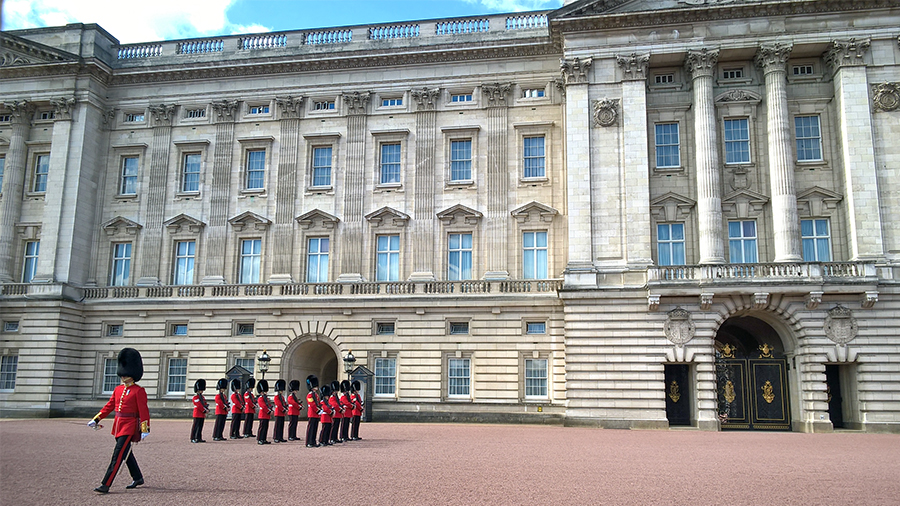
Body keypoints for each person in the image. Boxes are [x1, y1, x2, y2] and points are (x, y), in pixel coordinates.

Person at [88, 347, 150, 494]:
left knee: (118, 456)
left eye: (126, 374)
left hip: (129, 426)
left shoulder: (138, 391)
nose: (123, 376)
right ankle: (138, 477)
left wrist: (145, 429)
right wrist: (96, 419)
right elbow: (109, 406)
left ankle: (106, 484)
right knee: (126, 452)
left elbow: (143, 411)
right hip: (118, 425)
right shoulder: (118, 390)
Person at [190, 378, 209, 443]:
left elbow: (204, 403)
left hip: (202, 414)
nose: (201, 391)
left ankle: (198, 437)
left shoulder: (202, 397)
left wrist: (207, 408)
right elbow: (198, 405)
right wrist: (204, 410)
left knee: (200, 426)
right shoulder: (195, 397)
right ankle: (193, 438)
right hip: (197, 413)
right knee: (195, 426)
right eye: (200, 390)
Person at [305, 375, 321, 448]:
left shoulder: (316, 395)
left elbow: (318, 403)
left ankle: (313, 441)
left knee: (315, 428)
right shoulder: (310, 395)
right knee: (311, 428)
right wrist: (318, 411)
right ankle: (309, 442)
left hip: (316, 414)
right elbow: (312, 404)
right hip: (312, 413)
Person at [256, 379, 272, 445]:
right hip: (263, 414)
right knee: (262, 427)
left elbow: (269, 404)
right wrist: (269, 411)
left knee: (265, 427)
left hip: (266, 415)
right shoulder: (260, 398)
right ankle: (260, 439)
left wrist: (271, 409)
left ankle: (264, 439)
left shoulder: (266, 398)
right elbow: (263, 406)